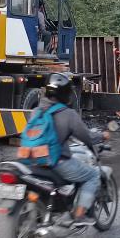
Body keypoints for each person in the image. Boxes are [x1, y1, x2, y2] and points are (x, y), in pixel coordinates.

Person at [37, 73, 109, 226]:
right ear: (65, 93)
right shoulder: (67, 114)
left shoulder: (36, 111)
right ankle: (80, 215)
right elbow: (87, 137)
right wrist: (102, 136)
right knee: (93, 175)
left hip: (33, 160)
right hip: (56, 161)